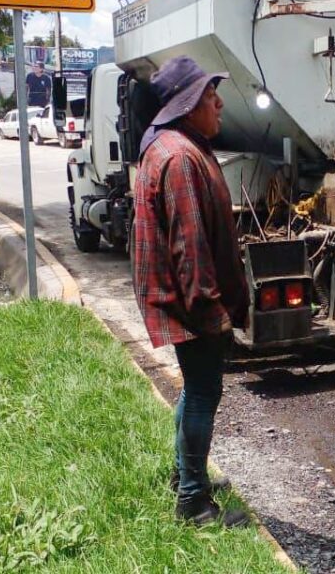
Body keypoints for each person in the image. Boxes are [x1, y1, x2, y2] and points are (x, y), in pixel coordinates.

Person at [132, 56, 250, 527]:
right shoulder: (180, 156)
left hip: (177, 295)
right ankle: (193, 504)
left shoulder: (175, 145)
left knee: (194, 389)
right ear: (186, 106)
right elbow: (190, 248)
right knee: (203, 392)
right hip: (188, 300)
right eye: (208, 96)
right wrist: (211, 312)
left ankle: (187, 473)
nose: (219, 103)